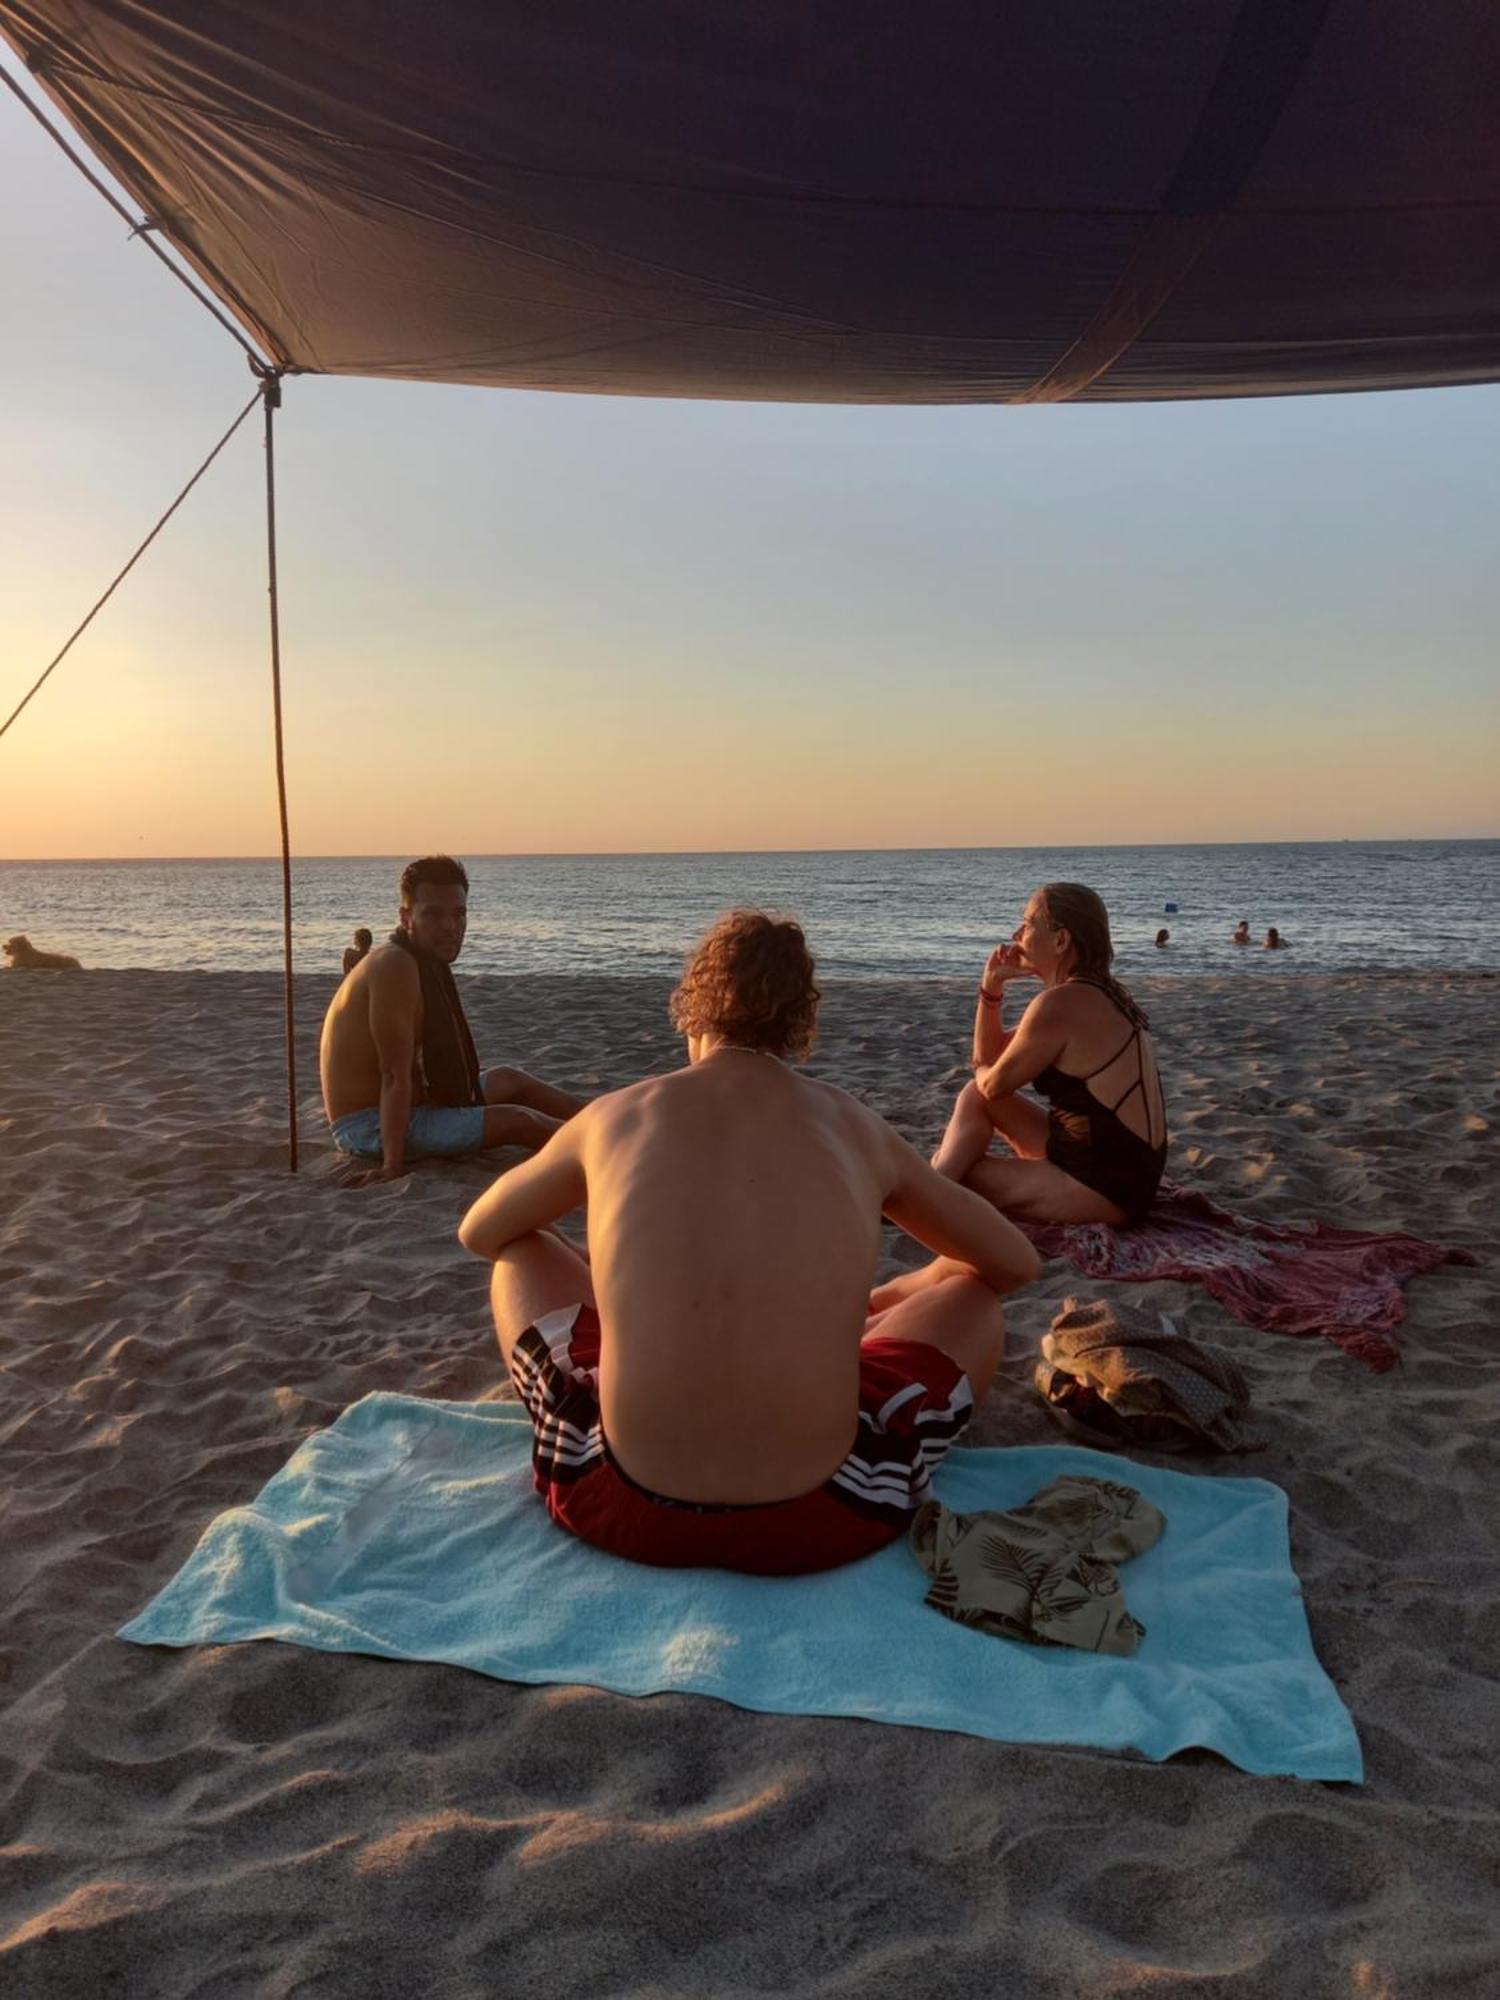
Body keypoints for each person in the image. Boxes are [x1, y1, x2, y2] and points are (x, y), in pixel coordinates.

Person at [457, 909, 1039, 1575]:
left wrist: (616, 1278)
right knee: (973, 1299)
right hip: (826, 1516)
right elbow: (1012, 1264)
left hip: (621, 1503)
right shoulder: (853, 1126)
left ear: (692, 1013)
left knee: (520, 1254)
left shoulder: (615, 1115)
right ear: (798, 1025)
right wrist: (911, 1287)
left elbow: (482, 1231)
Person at [320, 855, 584, 1183]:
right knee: (520, 1121)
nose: (450, 926)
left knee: (508, 1079)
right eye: (433, 913)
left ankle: (613, 1115)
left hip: (409, 1105)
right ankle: (609, 1145)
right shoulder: (395, 965)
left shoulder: (422, 961)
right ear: (406, 916)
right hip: (367, 1126)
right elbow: (392, 1075)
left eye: (459, 914)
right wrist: (392, 1166)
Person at [931, 882, 1167, 1225]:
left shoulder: (1060, 1005)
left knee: (965, 1170)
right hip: (1122, 1173)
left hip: (1103, 1189)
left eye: (1027, 925)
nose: (1015, 934)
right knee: (973, 1099)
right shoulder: (1100, 993)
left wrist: (983, 1070)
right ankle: (935, 1181)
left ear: (1061, 940)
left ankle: (928, 1190)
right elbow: (990, 1062)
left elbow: (992, 1080)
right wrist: (991, 987)